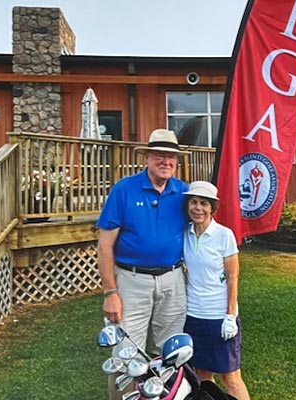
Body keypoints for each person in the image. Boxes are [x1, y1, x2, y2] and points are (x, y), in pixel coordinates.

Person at [96, 128, 190, 398]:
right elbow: (104, 245)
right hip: (131, 281)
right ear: (147, 158)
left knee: (170, 352)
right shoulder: (124, 190)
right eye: (160, 155)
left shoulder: (183, 192)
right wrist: (110, 293)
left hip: (173, 279)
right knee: (126, 353)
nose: (166, 162)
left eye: (171, 157)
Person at [182, 181, 251, 400]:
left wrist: (230, 315)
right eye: (193, 202)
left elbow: (233, 276)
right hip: (193, 316)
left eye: (204, 203)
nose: (198, 208)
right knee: (202, 375)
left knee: (230, 378)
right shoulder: (185, 234)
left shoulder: (224, 235)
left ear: (213, 207)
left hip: (219, 317)